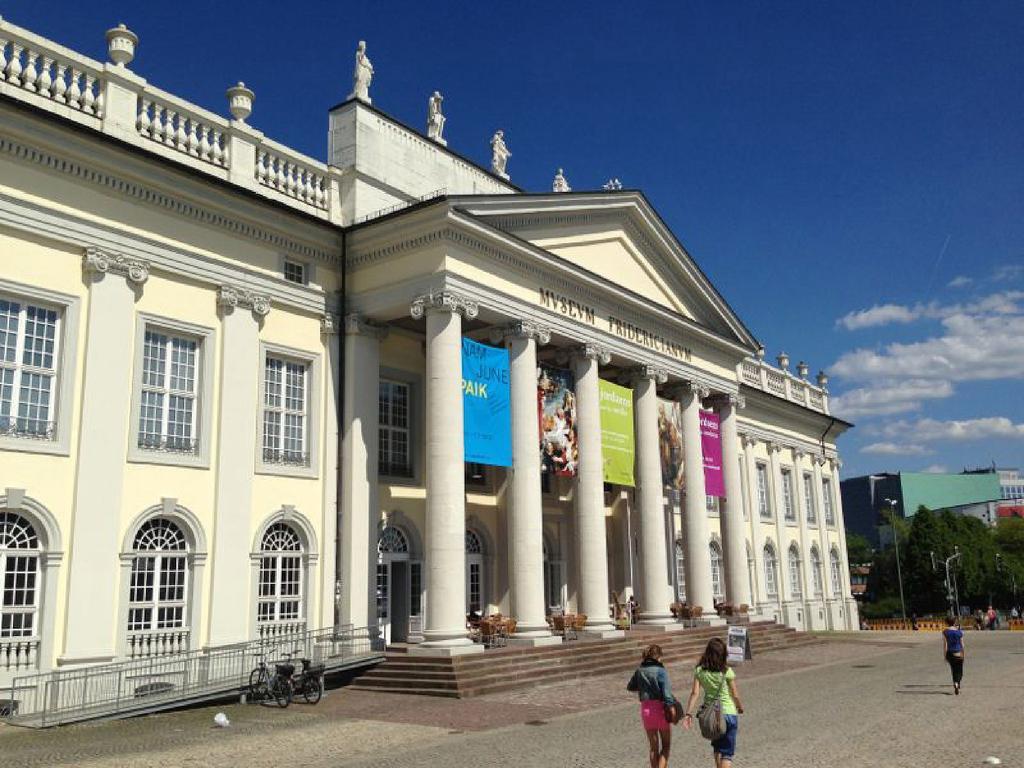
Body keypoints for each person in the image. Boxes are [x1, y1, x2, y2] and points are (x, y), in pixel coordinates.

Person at [683, 637, 744, 768]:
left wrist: (688, 713)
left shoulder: (699, 671)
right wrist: (739, 707)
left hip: (712, 715)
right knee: (727, 753)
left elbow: (695, 693)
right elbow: (735, 694)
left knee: (717, 748)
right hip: (728, 712)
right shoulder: (726, 671)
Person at [627, 644, 676, 768]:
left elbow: (631, 687)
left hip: (646, 710)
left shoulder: (639, 670)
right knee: (666, 746)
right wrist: (672, 708)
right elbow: (667, 693)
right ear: (658, 656)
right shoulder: (661, 670)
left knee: (653, 748)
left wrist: (644, 686)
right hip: (660, 710)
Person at [942, 616, 965, 695]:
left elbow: (945, 645)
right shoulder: (959, 632)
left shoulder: (945, 632)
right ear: (954, 622)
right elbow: (962, 645)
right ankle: (957, 682)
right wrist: (963, 654)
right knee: (959, 671)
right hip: (958, 653)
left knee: (953, 669)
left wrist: (945, 656)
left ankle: (955, 683)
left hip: (950, 653)